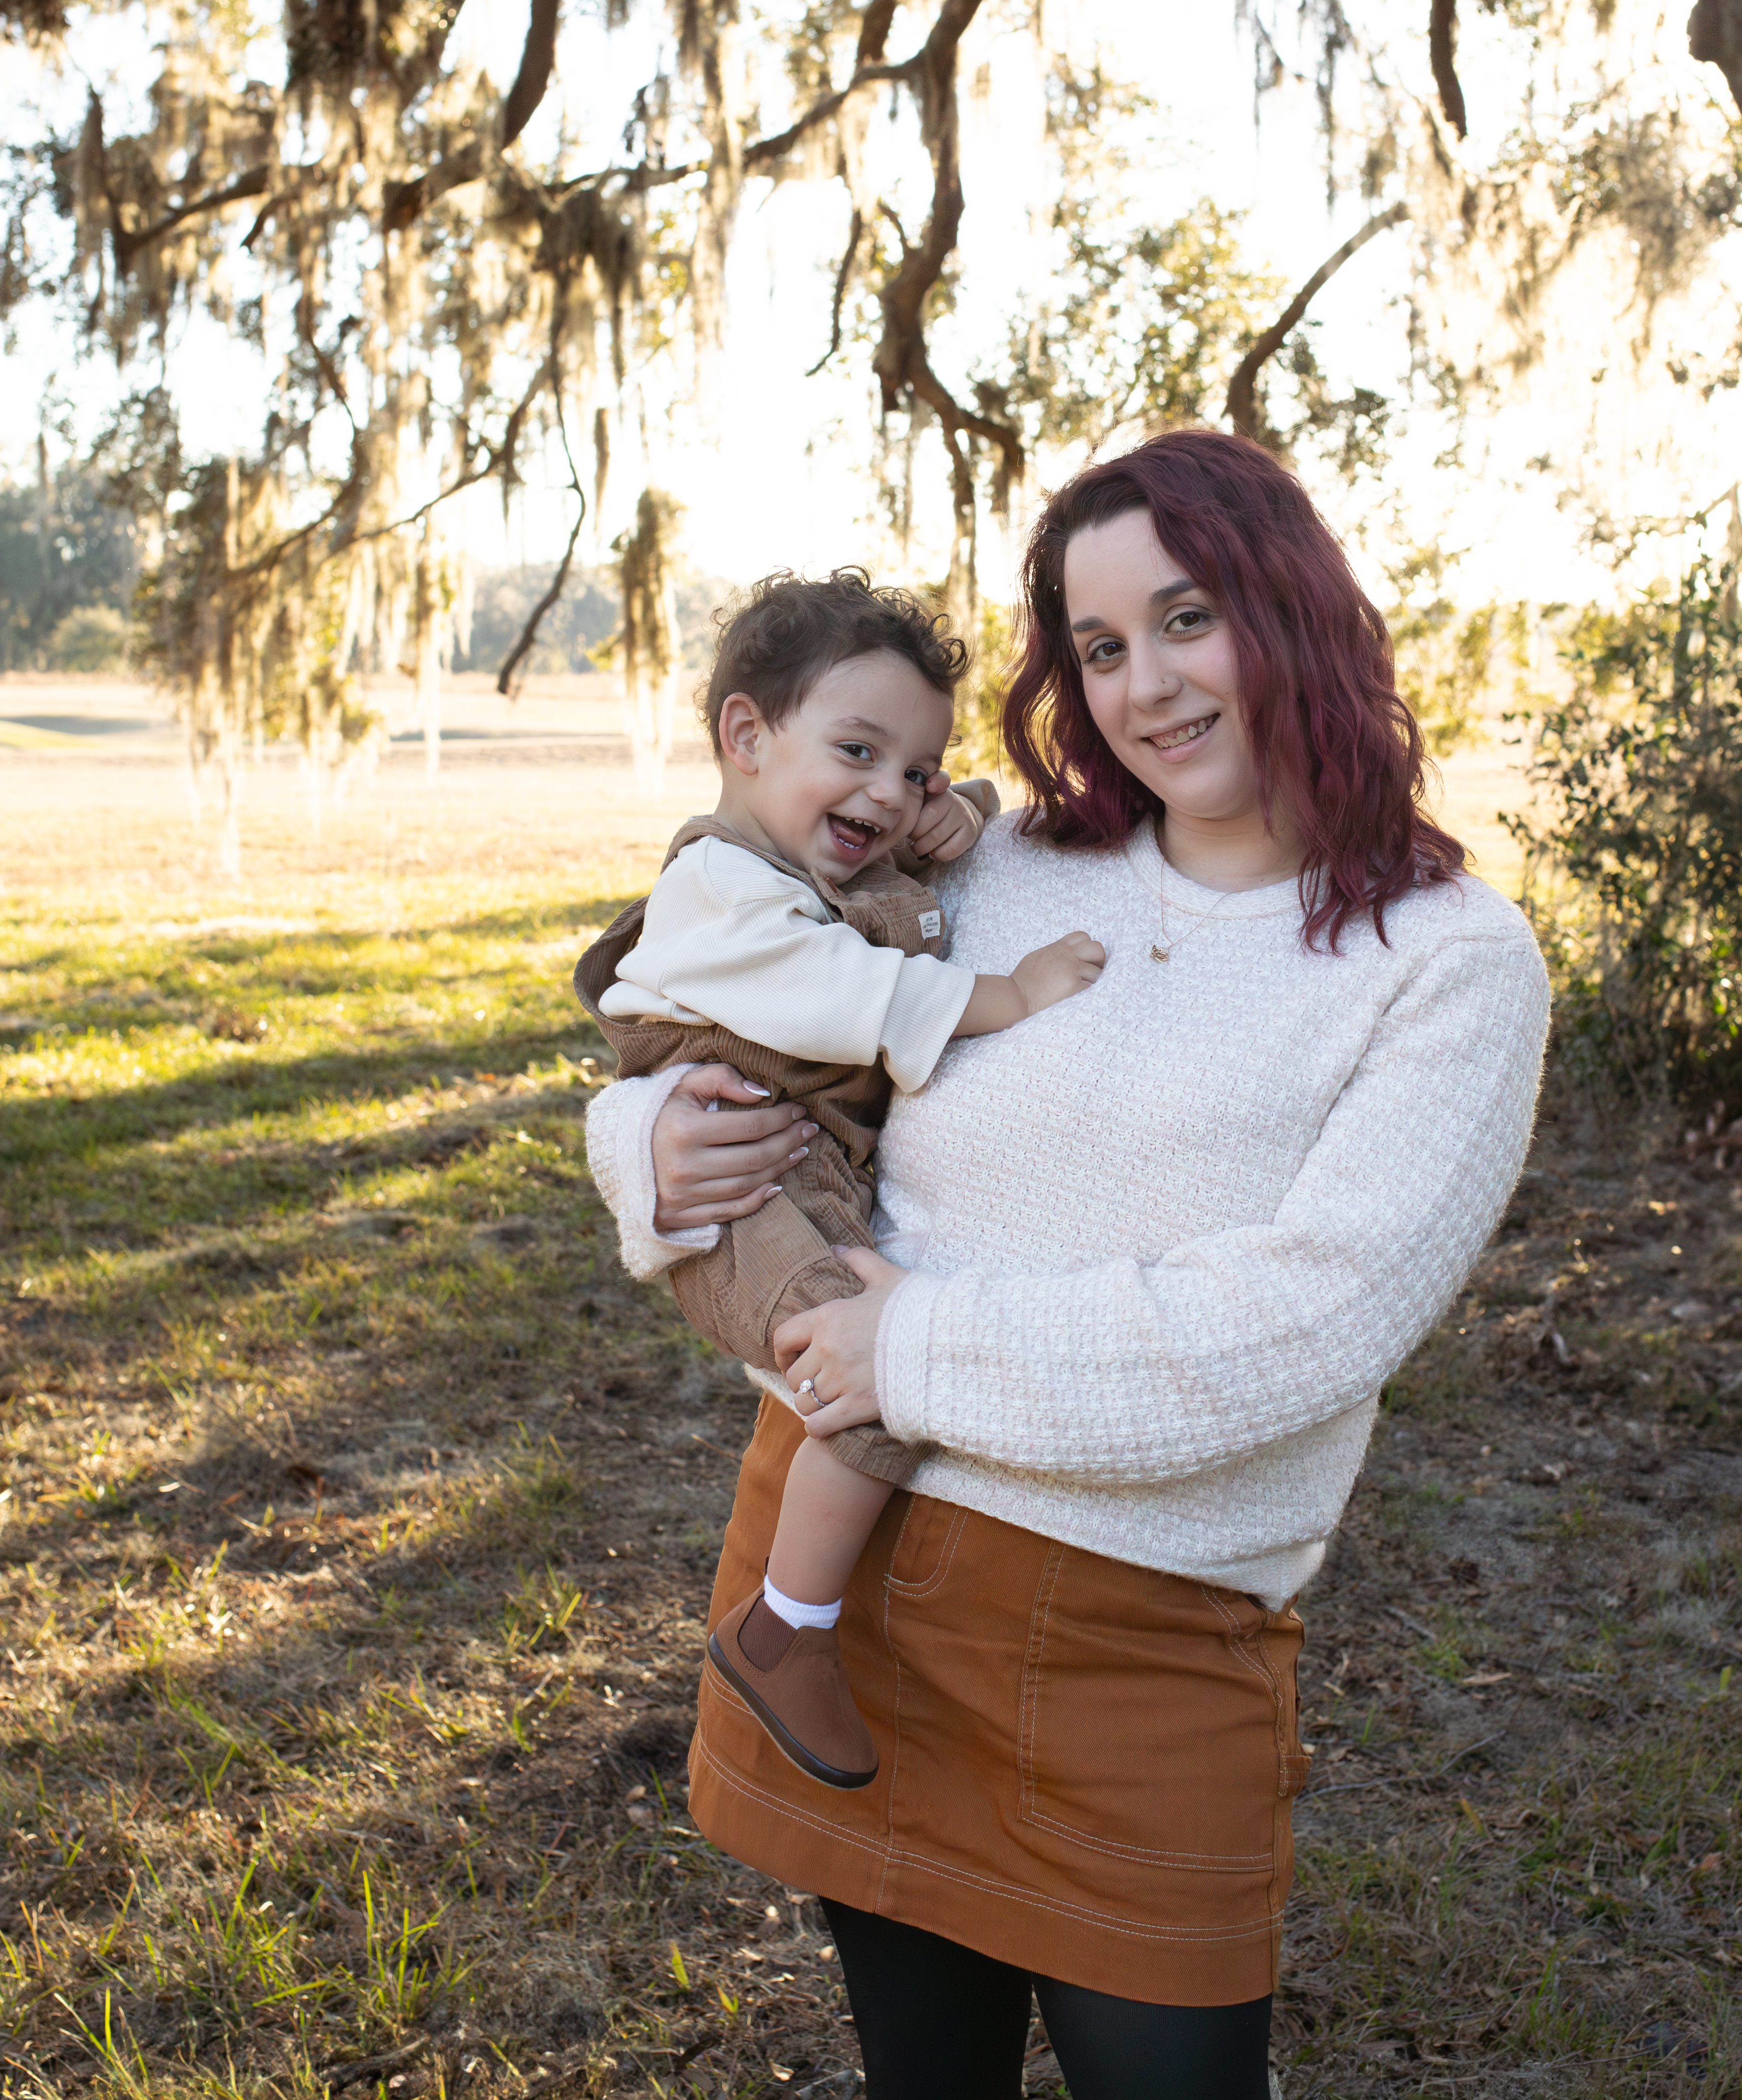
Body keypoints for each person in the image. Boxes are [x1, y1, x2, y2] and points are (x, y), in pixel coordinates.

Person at [584, 431, 1551, 2100]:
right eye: (1096, 647)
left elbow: (1303, 1323)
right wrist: (640, 1149)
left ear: (1290, 605)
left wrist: (918, 1355)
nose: (1141, 686)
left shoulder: (1446, 957)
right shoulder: (1001, 859)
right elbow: (718, 990)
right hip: (847, 1595)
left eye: (1185, 618)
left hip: (1144, 1633)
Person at [573, 569, 1104, 1789]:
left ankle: (802, 1619)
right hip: (745, 1204)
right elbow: (852, 994)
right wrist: (1012, 993)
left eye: (917, 768)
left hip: (798, 1177)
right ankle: (784, 1629)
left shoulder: (820, 861)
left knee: (881, 1369)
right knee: (868, 1388)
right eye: (858, 751)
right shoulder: (721, 886)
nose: (888, 792)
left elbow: (883, 887)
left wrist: (953, 815)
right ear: (746, 736)